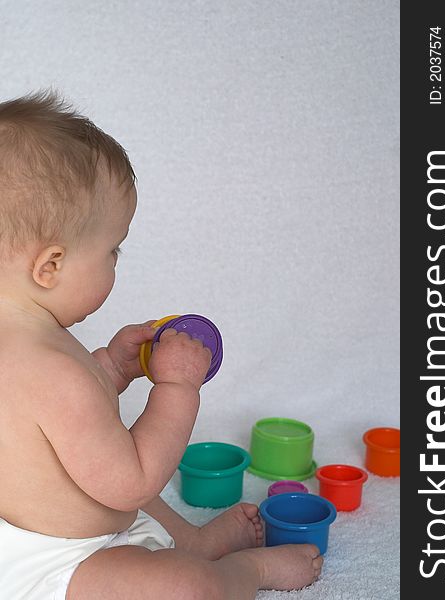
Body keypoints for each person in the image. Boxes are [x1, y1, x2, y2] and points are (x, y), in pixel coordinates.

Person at [0, 91, 323, 600]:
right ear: (50, 267)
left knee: (103, 483)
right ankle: (247, 572)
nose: (115, 263)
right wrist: (177, 387)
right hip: (61, 563)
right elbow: (132, 482)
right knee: (183, 588)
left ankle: (189, 539)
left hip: (20, 534)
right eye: (112, 250)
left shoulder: (29, 345)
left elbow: (55, 431)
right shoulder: (51, 367)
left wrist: (109, 367)